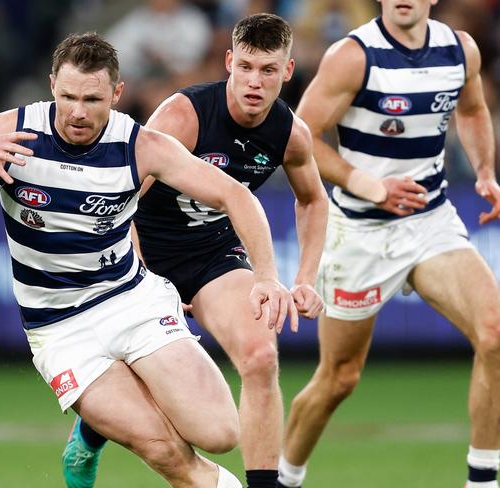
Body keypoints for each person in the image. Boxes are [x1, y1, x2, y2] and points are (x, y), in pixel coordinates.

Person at [0, 32, 301, 488]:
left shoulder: (141, 145)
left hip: (131, 302)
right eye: (68, 96)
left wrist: (267, 275)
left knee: (220, 433)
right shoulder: (13, 130)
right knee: (164, 451)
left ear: (116, 93)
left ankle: (97, 424)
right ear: (52, 85)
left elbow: (235, 195)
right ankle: (88, 440)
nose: (77, 111)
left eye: (92, 99)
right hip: (59, 327)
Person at [63, 13, 329, 488]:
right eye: (245, 66)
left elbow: (312, 199)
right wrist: (141, 274)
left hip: (212, 254)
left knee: (261, 356)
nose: (254, 81)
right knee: (135, 360)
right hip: (140, 248)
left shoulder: (291, 134)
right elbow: (120, 197)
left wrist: (305, 277)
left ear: (287, 73)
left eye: (268, 70)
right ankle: (92, 429)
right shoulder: (183, 115)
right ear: (228, 62)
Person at [279, 1, 500, 487]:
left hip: (431, 222)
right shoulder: (354, 56)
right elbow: (298, 137)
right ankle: (284, 479)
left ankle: (482, 481)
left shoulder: (460, 50)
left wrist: (484, 170)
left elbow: (474, 108)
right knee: (339, 378)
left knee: (494, 333)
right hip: (361, 232)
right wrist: (368, 184)